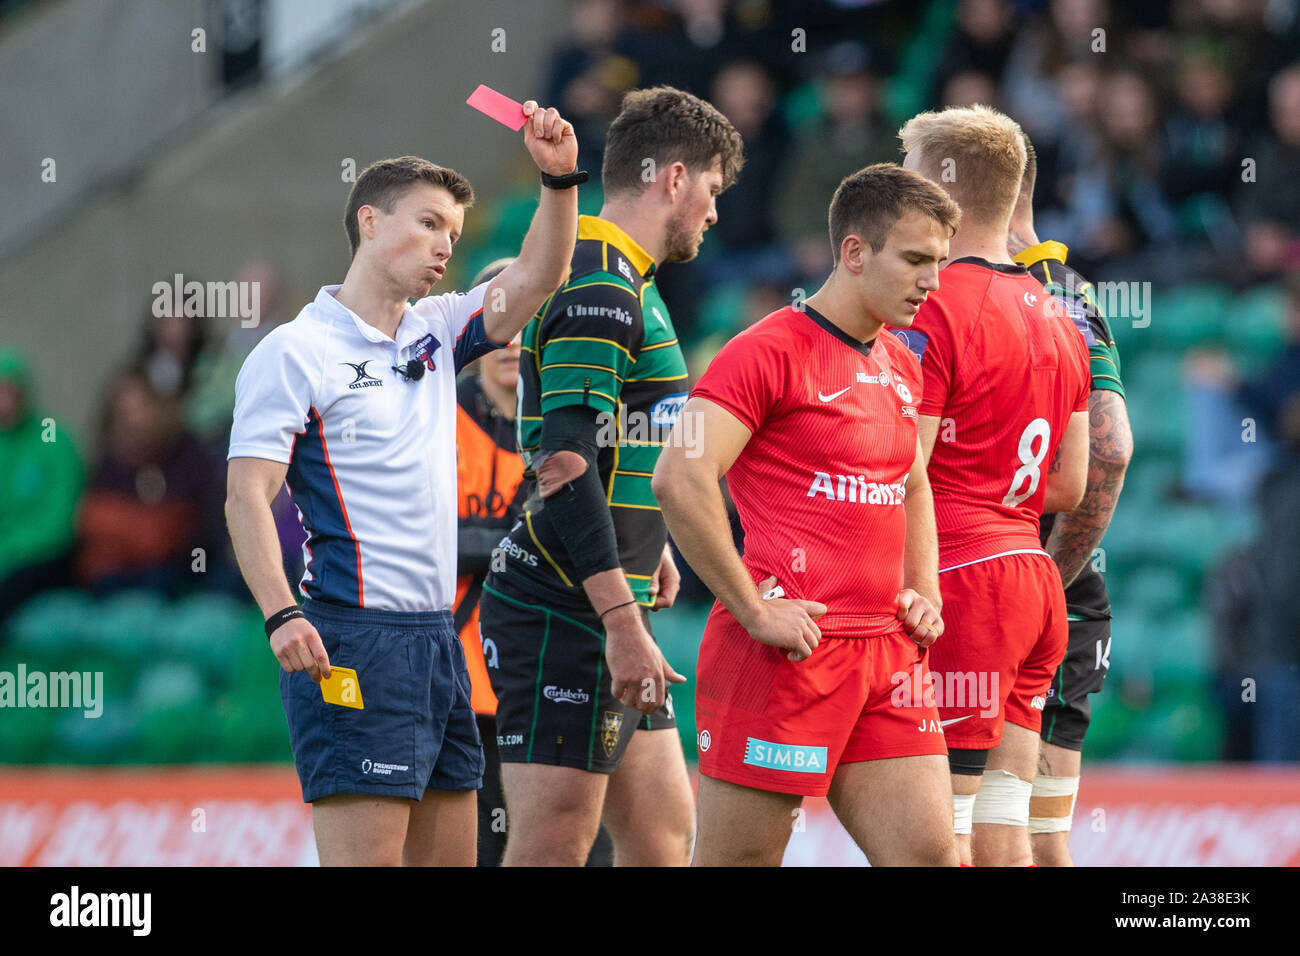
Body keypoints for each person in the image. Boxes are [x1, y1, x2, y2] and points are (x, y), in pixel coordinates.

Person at [225, 100, 580, 867]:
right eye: (427, 223)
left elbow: (540, 275)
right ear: (368, 223)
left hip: (438, 640)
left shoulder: (436, 328)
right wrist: (281, 612)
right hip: (352, 635)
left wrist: (559, 181)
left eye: (453, 232)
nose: (445, 245)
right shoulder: (296, 351)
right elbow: (247, 495)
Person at [654, 163, 960, 867]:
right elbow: (680, 477)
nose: (932, 281)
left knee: (931, 860)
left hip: (886, 653)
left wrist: (926, 588)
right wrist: (754, 611)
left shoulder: (902, 363)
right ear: (855, 252)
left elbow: (910, 480)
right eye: (915, 259)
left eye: (939, 262)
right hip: (783, 653)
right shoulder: (762, 352)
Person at [478, 86, 743, 866]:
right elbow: (563, 463)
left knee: (662, 833)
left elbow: (616, 439)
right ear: (673, 179)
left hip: (609, 592)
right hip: (568, 605)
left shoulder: (623, 276)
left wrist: (647, 539)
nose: (714, 213)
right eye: (713, 191)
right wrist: (623, 621)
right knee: (555, 844)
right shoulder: (598, 280)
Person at [898, 104, 1091, 866]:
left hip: (958, 577)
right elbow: (1069, 482)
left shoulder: (935, 302)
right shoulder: (1061, 311)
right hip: (1034, 581)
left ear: (942, 193)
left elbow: (902, 459)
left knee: (939, 827)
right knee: (1004, 821)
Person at [1007, 132, 1134, 864]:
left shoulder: (940, 296)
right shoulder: (1070, 293)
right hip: (1058, 590)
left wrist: (1037, 589)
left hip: (980, 582)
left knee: (966, 827)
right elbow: (1111, 450)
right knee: (1040, 836)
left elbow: (1110, 451)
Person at [0, 349, 83, 622]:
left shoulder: (53, 440)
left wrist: (11, 550)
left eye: (8, 390)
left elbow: (61, 520)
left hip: (43, 556)